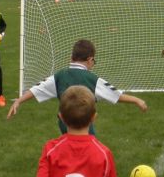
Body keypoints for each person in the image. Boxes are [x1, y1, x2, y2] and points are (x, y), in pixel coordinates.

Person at [8, 38, 147, 132]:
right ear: (90, 60)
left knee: (69, 148)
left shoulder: (59, 76)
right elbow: (115, 95)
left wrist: (19, 101)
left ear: (71, 58)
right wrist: (136, 100)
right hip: (84, 124)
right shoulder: (92, 79)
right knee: (88, 151)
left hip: (64, 123)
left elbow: (36, 89)